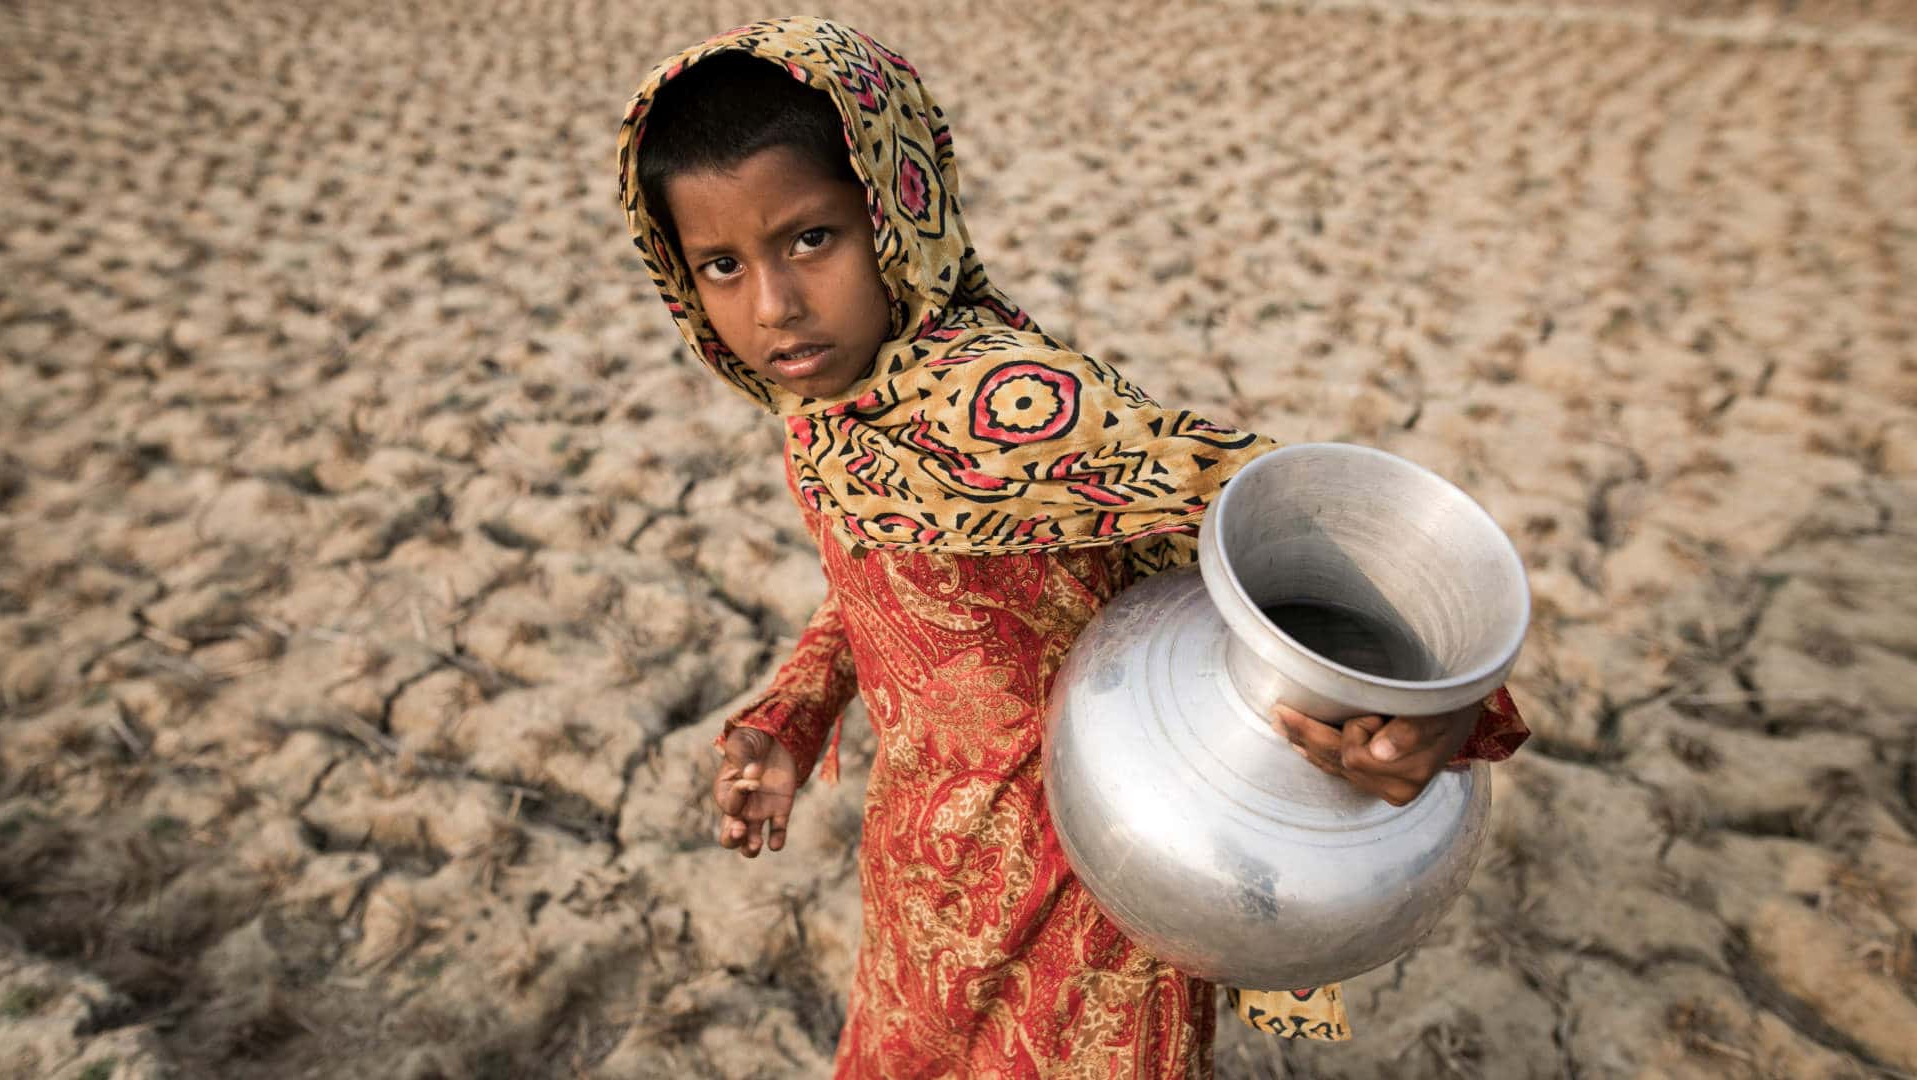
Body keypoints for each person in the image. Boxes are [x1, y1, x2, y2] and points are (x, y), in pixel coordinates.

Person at [616, 17, 1529, 1076]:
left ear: (896, 208)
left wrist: (1433, 707)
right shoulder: (826, 413)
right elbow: (869, 592)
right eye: (721, 264)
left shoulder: (1015, 408)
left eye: (811, 238)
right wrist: (793, 714)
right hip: (924, 870)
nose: (771, 306)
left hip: (1092, 882)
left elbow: (1313, 526)